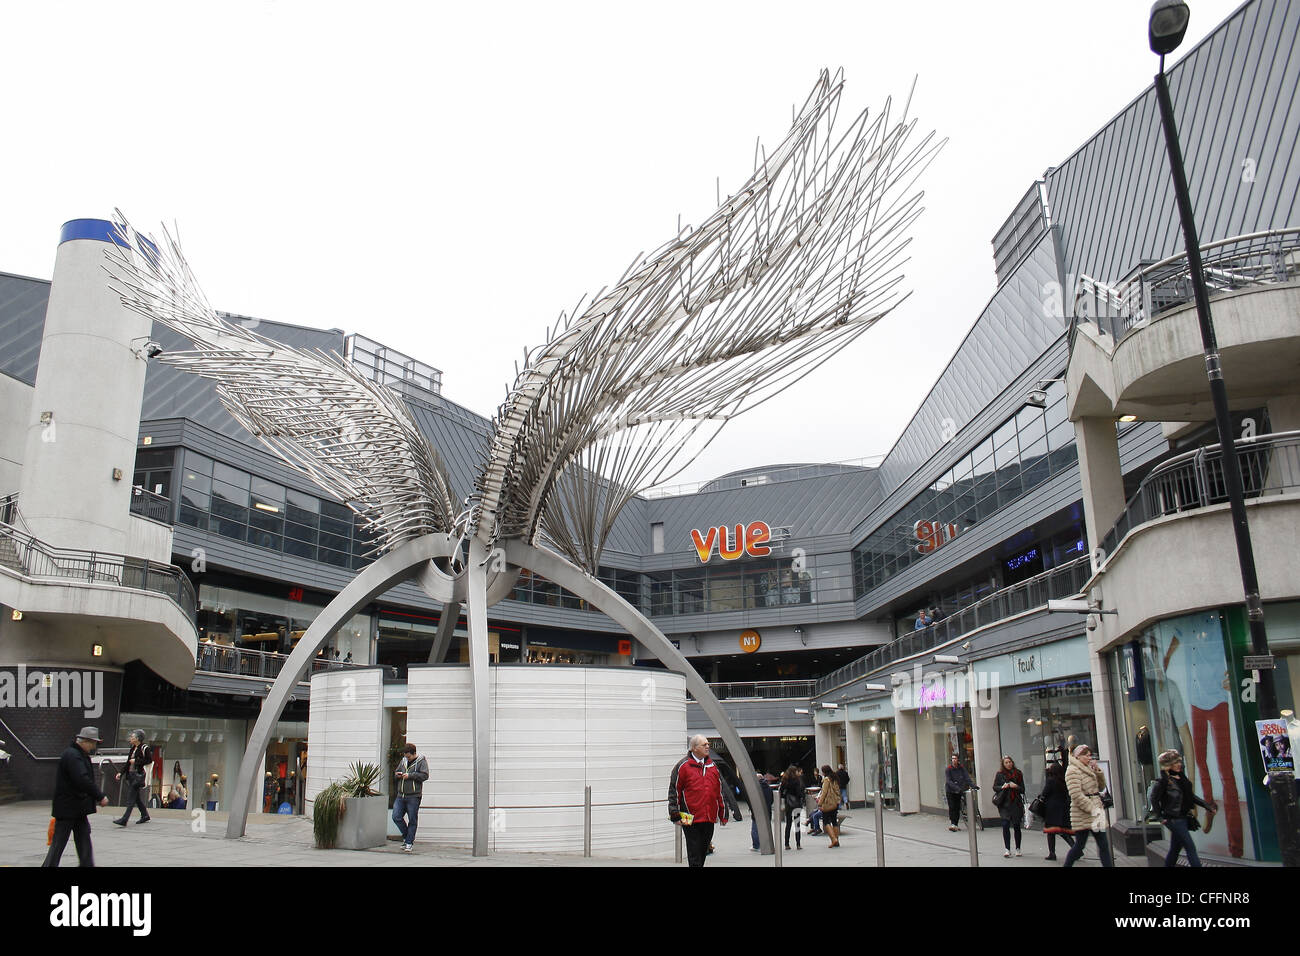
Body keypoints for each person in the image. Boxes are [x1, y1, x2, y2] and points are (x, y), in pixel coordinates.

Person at [42, 727, 110, 867]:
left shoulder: (78, 754)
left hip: (77, 808)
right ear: (85, 741)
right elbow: (82, 779)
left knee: (83, 839)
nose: (94, 747)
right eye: (93, 743)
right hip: (68, 808)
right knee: (59, 843)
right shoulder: (73, 755)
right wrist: (99, 796)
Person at [668, 735, 728, 867]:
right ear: (694, 748)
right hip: (689, 817)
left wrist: (723, 814)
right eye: (704, 744)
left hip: (709, 817)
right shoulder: (682, 766)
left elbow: (719, 792)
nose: (708, 747)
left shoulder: (712, 766)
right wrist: (674, 814)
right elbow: (674, 791)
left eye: (708, 744)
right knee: (694, 853)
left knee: (703, 851)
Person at [1151, 749, 1217, 867]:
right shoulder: (1162, 783)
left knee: (1175, 849)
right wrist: (1160, 817)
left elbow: (1191, 797)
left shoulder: (1181, 779)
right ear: (1168, 765)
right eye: (1175, 763)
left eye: (1179, 762)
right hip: (1173, 819)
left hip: (1183, 817)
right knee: (1190, 846)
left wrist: (1207, 806)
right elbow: (1154, 800)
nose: (1178, 765)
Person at [1062, 744, 1113, 867]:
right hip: (1083, 813)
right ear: (1078, 756)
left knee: (1103, 844)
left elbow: (1100, 788)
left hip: (1096, 810)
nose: (1089, 758)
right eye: (1086, 755)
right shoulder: (1072, 770)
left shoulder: (1089, 768)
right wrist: (1092, 808)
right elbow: (1075, 795)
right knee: (1079, 845)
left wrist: (1098, 772)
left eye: (1090, 755)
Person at [392, 742, 428, 852]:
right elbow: (396, 771)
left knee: (412, 819)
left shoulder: (421, 761)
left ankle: (408, 842)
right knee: (396, 816)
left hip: (414, 796)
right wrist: (397, 774)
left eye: (408, 756)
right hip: (400, 794)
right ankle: (407, 837)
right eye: (405, 756)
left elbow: (425, 775)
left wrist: (410, 776)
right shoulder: (403, 760)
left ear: (413, 754)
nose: (406, 758)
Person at [113, 729, 152, 826]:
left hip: (138, 776)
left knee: (131, 798)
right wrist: (121, 773)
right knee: (136, 798)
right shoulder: (132, 748)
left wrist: (136, 761)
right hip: (131, 775)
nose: (130, 738)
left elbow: (149, 760)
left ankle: (124, 819)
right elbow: (127, 763)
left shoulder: (144, 748)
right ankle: (145, 815)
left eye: (133, 737)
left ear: (138, 738)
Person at [1040, 761, 1074, 860]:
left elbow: (1045, 793)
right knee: (1063, 831)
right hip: (1062, 808)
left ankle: (1052, 853)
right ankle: (1075, 848)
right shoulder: (1064, 781)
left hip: (1052, 809)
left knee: (1051, 831)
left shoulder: (1051, 780)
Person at [993, 755, 1025, 858]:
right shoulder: (1000, 774)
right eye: (1006, 763)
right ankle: (1007, 849)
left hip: (1015, 803)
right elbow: (995, 787)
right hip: (1004, 803)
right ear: (1003, 764)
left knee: (1016, 826)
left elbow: (1023, 789)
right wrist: (1003, 786)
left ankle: (1018, 848)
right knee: (1005, 824)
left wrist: (1015, 786)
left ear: (1012, 762)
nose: (1008, 764)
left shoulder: (1018, 773)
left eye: (1009, 762)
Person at [779, 765, 806, 850]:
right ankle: (798, 844)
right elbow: (799, 792)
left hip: (788, 803)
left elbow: (781, 792)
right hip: (797, 803)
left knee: (788, 824)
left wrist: (785, 798)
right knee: (797, 824)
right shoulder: (797, 780)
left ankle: (787, 844)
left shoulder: (785, 780)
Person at [944, 754, 973, 831]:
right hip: (950, 791)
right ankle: (953, 823)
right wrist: (956, 788)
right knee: (952, 806)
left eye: (955, 758)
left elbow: (967, 777)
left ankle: (955, 824)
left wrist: (973, 785)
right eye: (952, 758)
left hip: (959, 790)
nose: (954, 760)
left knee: (957, 807)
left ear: (958, 760)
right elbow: (948, 781)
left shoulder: (961, 768)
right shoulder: (948, 769)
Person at [817, 763, 841, 847]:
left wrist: (820, 803)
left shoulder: (826, 780)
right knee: (834, 821)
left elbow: (824, 792)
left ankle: (833, 839)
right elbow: (838, 791)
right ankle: (837, 840)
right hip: (835, 803)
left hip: (828, 803)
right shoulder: (835, 778)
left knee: (826, 821)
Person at [750, 771, 773, 852]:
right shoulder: (769, 788)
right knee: (766, 828)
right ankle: (767, 844)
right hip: (767, 811)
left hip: (757, 812)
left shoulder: (755, 789)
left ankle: (756, 845)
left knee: (755, 829)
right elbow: (771, 800)